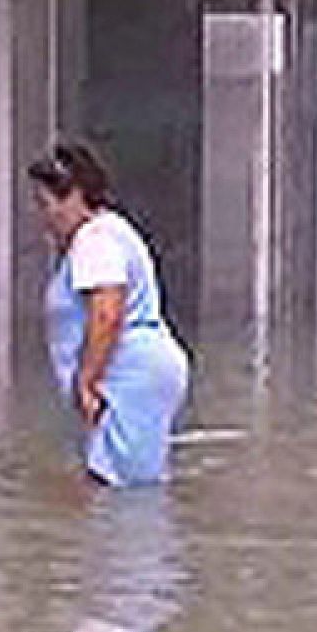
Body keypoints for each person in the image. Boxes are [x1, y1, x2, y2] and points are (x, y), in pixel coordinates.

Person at [27, 142, 191, 487]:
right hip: (136, 375)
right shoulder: (111, 231)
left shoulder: (94, 241)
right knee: (115, 482)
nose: (43, 218)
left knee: (122, 494)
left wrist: (87, 381)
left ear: (74, 196)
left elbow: (107, 312)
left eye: (46, 204)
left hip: (127, 379)